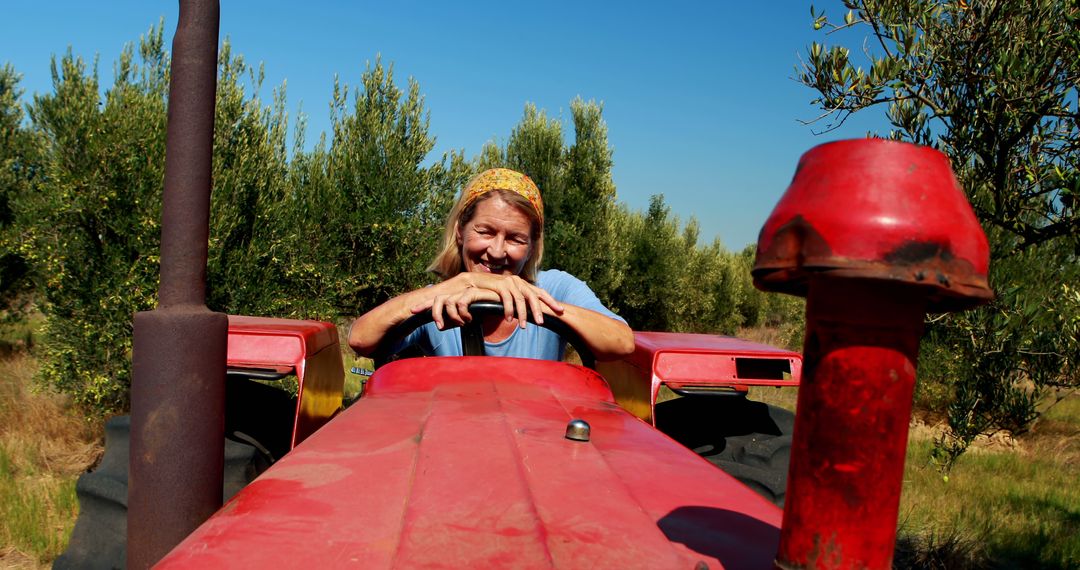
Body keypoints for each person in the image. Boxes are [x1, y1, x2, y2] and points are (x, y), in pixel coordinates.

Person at [348, 167, 634, 362]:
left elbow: (622, 343)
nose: (497, 252)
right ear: (460, 230)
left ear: (533, 245)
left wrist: (530, 300)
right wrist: (462, 284)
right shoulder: (441, 297)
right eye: (485, 232)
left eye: (515, 238)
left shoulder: (556, 287)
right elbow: (360, 339)